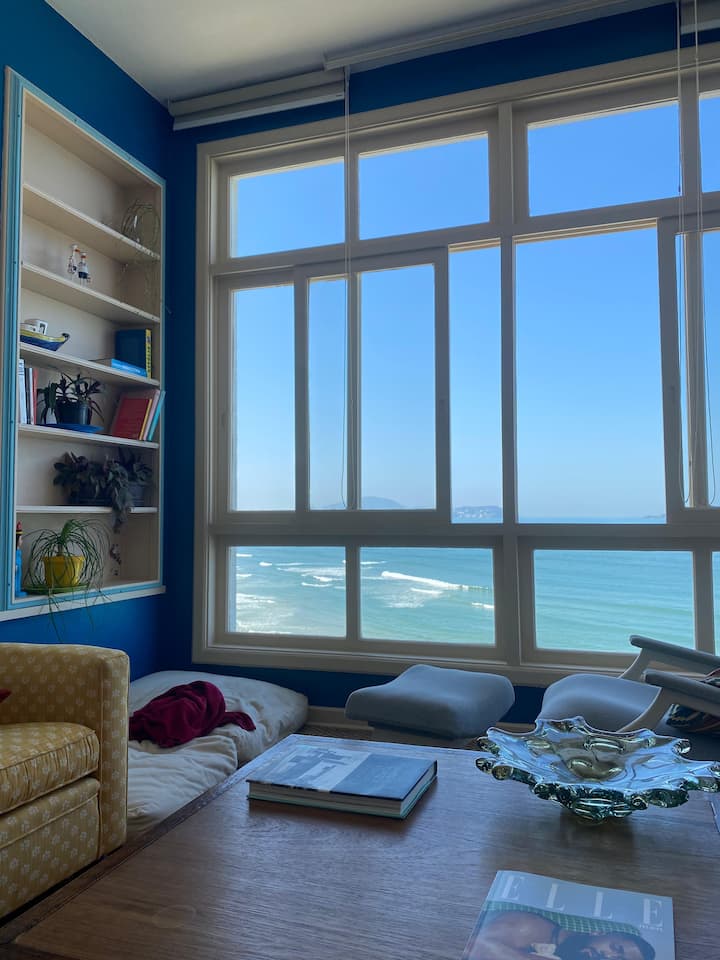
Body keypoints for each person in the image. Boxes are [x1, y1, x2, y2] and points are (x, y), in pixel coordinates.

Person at [466, 909, 656, 960]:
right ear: (598, 932)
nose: (608, 957)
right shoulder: (531, 927)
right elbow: (475, 945)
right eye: (615, 948)